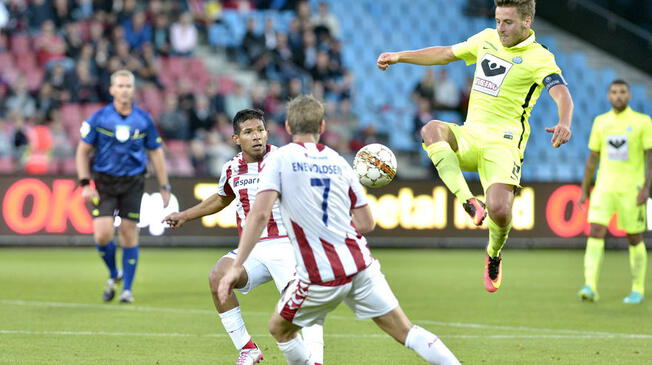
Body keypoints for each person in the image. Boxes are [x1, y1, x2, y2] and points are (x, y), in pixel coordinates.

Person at [218, 95, 460, 365]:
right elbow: (367, 223)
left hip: (321, 270)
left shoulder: (280, 159)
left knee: (279, 328)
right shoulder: (339, 162)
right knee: (407, 332)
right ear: (322, 126)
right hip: (361, 264)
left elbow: (260, 214)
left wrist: (237, 265)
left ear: (287, 126)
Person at [376, 0, 573, 293]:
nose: (501, 28)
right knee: (431, 129)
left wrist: (564, 122)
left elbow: (561, 93)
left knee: (501, 211)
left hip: (504, 145)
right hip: (470, 136)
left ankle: (493, 254)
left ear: (527, 21)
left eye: (507, 22)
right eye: (498, 21)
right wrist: (399, 56)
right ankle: (469, 201)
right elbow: (444, 54)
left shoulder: (540, 58)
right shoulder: (486, 39)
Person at [163, 109, 324, 365]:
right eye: (248, 132)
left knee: (302, 305)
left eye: (260, 130)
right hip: (254, 250)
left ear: (267, 133)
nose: (256, 136)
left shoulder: (285, 159)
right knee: (218, 278)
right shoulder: (231, 169)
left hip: (289, 245)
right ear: (236, 139)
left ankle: (316, 360)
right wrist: (185, 215)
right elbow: (221, 197)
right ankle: (247, 348)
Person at [76, 69, 171, 304]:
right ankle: (113, 273)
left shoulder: (144, 119)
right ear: (112, 90)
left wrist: (164, 185)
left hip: (133, 182)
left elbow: (156, 153)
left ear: (133, 89)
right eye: (120, 85)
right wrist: (85, 183)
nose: (124, 90)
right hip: (105, 181)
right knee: (102, 234)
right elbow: (82, 152)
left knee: (129, 233)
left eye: (128, 86)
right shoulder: (98, 118)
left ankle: (127, 289)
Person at [578, 80, 651, 304]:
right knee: (596, 231)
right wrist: (585, 188)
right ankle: (590, 286)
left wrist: (647, 187)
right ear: (608, 96)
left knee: (634, 236)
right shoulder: (601, 122)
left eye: (622, 92)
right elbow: (593, 158)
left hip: (632, 189)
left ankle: (637, 288)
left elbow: (650, 156)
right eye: (614, 92)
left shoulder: (642, 122)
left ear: (629, 96)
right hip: (604, 187)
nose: (618, 96)